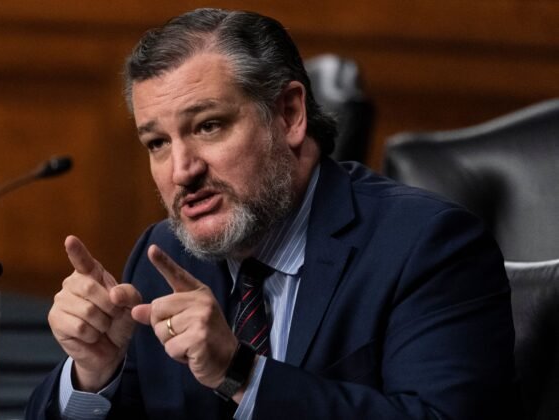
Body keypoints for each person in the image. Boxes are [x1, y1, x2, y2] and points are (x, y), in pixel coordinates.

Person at [26, 8, 518, 419]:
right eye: (157, 143)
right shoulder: (164, 257)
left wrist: (240, 373)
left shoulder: (426, 246)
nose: (181, 170)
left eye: (208, 126)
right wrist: (95, 374)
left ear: (289, 115)